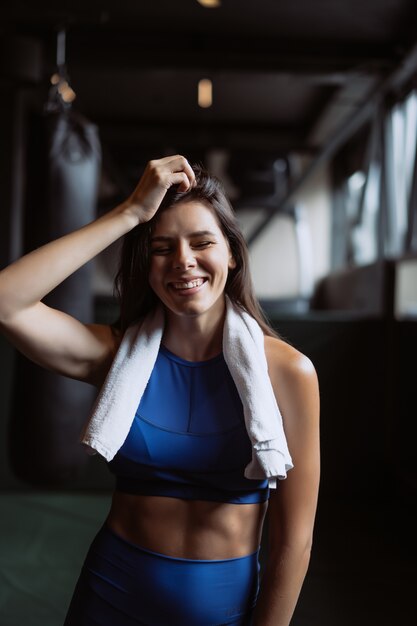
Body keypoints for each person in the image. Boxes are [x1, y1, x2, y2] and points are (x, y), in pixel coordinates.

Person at [0, 155, 320, 625]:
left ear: (231, 253)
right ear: (147, 266)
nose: (183, 261)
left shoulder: (290, 373)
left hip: (223, 607)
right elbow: (7, 302)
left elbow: (294, 541)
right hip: (109, 594)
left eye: (202, 242)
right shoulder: (114, 357)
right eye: (162, 247)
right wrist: (130, 212)